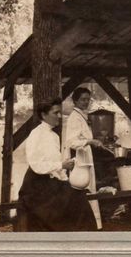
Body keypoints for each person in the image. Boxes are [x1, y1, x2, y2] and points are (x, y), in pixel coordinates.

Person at [17, 98, 96, 231]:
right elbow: (36, 165)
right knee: (69, 206)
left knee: (79, 197)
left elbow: (56, 165)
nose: (59, 116)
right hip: (36, 187)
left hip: (51, 182)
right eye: (55, 113)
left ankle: (85, 240)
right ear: (43, 115)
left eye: (60, 112)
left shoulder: (54, 136)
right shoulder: (36, 134)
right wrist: (61, 165)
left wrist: (66, 178)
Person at [62, 87, 104, 230]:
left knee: (89, 189)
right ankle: (85, 224)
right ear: (75, 101)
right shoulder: (74, 118)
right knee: (83, 190)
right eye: (83, 99)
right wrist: (90, 142)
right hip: (79, 161)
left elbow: (82, 137)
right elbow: (71, 142)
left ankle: (91, 223)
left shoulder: (82, 116)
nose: (86, 102)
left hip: (85, 158)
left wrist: (93, 141)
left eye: (88, 99)